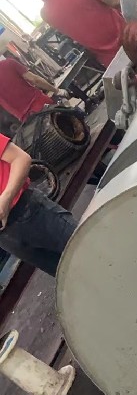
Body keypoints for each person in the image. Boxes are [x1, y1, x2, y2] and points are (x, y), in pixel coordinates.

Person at [0, 133, 76, 276]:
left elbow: (20, 158)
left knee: (90, 248)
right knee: (70, 277)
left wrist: (5, 199)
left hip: (29, 212)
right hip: (7, 239)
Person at [0, 56, 64, 123]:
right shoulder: (8, 63)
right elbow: (35, 80)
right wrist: (57, 91)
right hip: (41, 104)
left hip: (28, 120)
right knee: (65, 123)